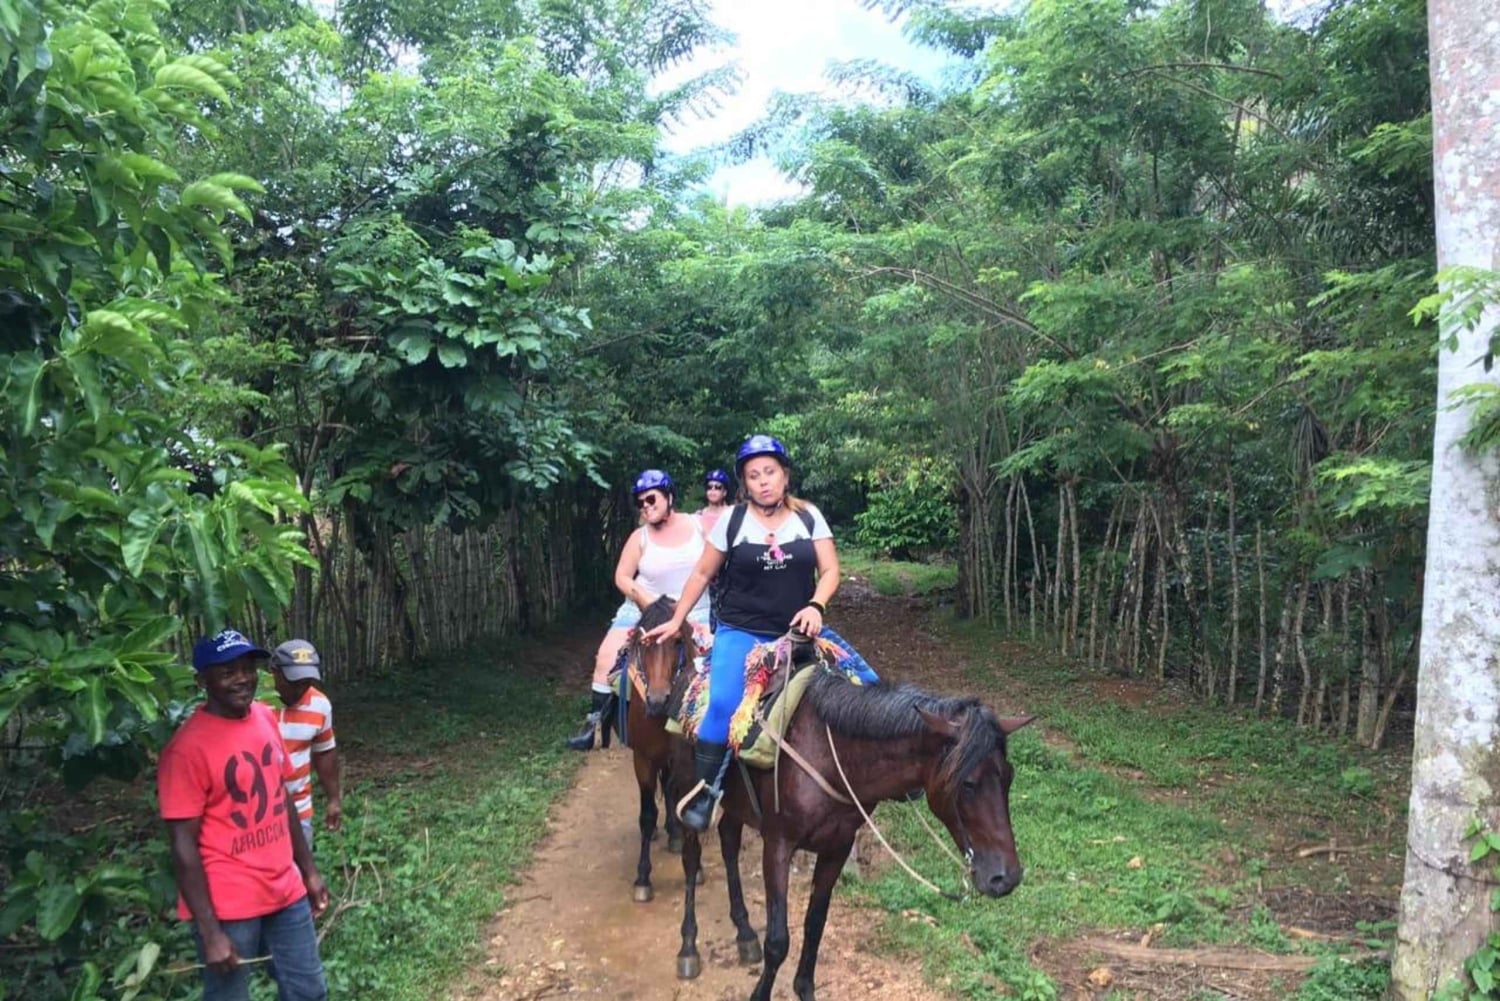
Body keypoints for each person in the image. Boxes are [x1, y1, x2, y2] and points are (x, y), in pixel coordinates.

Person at [643, 435, 839, 831]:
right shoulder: (732, 521)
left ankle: (888, 765)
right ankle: (706, 791)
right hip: (741, 631)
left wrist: (816, 606)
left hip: (797, 630)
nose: (763, 481)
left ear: (785, 475)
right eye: (754, 475)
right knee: (722, 703)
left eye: (770, 472)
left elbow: (831, 570)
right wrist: (676, 617)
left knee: (859, 679)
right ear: (744, 483)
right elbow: (701, 573)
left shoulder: (809, 517)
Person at [158, 628, 329, 1001]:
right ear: (202, 680)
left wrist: (309, 871)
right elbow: (183, 846)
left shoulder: (266, 718)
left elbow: (281, 797)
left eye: (247, 668)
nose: (243, 679)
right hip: (228, 904)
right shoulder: (185, 751)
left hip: (285, 888)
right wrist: (210, 931)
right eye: (227, 671)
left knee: (309, 990)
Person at [565, 469, 713, 750]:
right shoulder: (639, 537)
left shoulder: (699, 527)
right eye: (641, 502)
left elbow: (717, 562)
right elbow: (622, 576)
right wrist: (645, 599)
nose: (646, 506)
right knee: (606, 657)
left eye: (651, 499)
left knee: (713, 660)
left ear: (669, 496)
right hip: (642, 609)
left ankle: (714, 726)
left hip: (695, 610)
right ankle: (595, 723)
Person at [268, 640, 341, 851]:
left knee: (300, 875)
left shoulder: (319, 705)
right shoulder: (252, 702)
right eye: (294, 681)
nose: (301, 688)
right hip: (255, 815)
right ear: (274, 672)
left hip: (298, 809)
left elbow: (325, 751)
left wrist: (334, 799)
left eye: (306, 681)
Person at [697, 468, 732, 533]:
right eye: (709, 487)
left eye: (718, 487)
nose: (713, 490)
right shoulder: (699, 516)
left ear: (724, 492)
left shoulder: (732, 515)